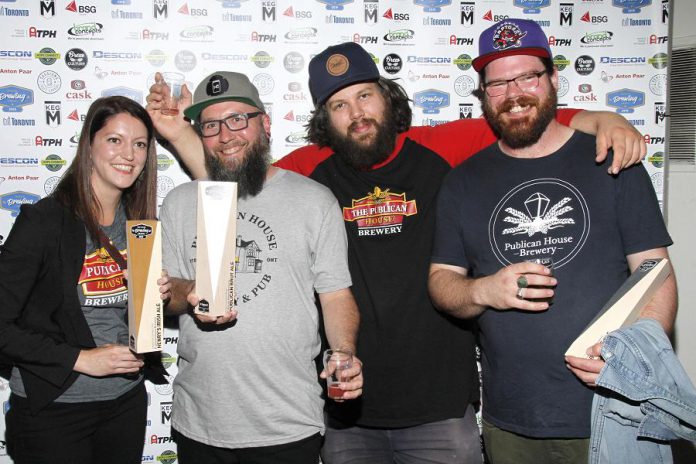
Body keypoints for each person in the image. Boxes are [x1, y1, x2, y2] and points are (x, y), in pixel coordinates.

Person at [146, 42, 646, 462]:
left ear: (387, 98)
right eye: (339, 105)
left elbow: (525, 118)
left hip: (440, 407)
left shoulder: (443, 146)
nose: (356, 113)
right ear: (324, 119)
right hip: (348, 409)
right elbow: (236, 173)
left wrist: (605, 118)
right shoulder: (311, 169)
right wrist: (179, 134)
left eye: (365, 95)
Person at [427, 18, 677, 464]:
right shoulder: (462, 182)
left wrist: (630, 357)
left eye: (527, 76)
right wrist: (485, 290)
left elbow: (654, 272)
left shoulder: (611, 161)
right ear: (483, 95)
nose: (514, 94)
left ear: (554, 79)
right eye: (497, 84)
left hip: (617, 407)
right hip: (512, 419)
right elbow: (442, 282)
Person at [157, 71, 363, 463]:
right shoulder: (180, 203)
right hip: (200, 420)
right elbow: (167, 296)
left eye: (238, 119)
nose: (225, 134)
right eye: (211, 125)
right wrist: (190, 292)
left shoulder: (314, 200)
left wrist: (345, 354)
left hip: (287, 420)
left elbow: (336, 294)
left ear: (265, 124)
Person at [0, 96, 160, 463]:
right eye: (115, 140)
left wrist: (153, 298)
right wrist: (81, 359)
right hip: (55, 411)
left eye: (139, 144)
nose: (129, 154)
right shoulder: (43, 222)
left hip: (125, 404)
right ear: (89, 144)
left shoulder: (141, 226)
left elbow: (130, 319)